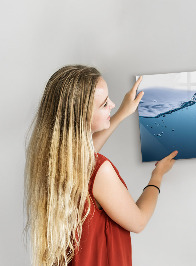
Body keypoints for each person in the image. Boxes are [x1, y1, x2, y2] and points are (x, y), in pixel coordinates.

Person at [24, 65, 178, 266]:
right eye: (105, 104)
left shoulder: (53, 159)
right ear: (82, 117)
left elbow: (86, 156)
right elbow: (138, 221)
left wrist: (122, 113)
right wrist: (157, 176)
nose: (113, 104)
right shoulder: (100, 170)